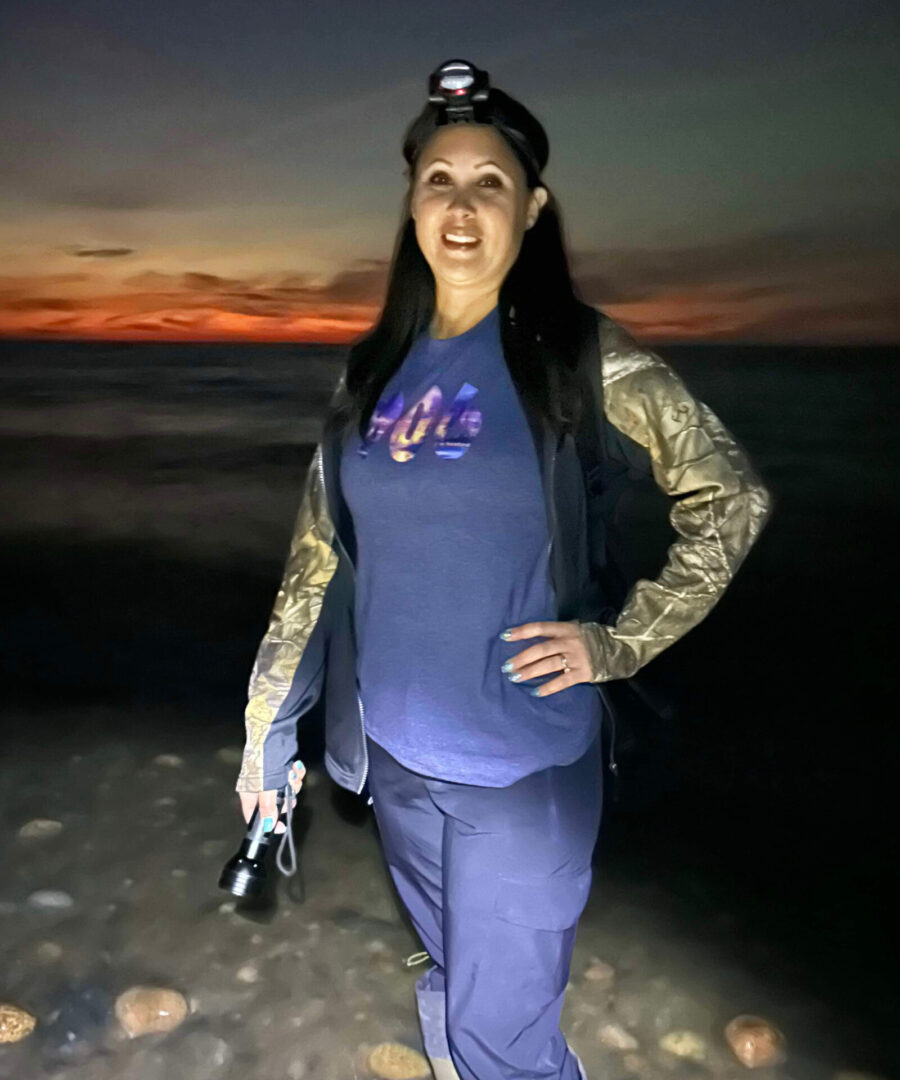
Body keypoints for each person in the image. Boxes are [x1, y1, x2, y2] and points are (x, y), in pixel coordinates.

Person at [235, 59, 773, 1080]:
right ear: (412, 203)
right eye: (440, 179)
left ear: (533, 207)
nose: (462, 204)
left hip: (521, 771)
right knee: (454, 978)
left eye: (490, 182)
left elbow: (728, 498)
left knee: (503, 1039)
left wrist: (619, 642)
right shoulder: (369, 372)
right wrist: (265, 737)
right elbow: (315, 569)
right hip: (392, 759)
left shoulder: (584, 358)